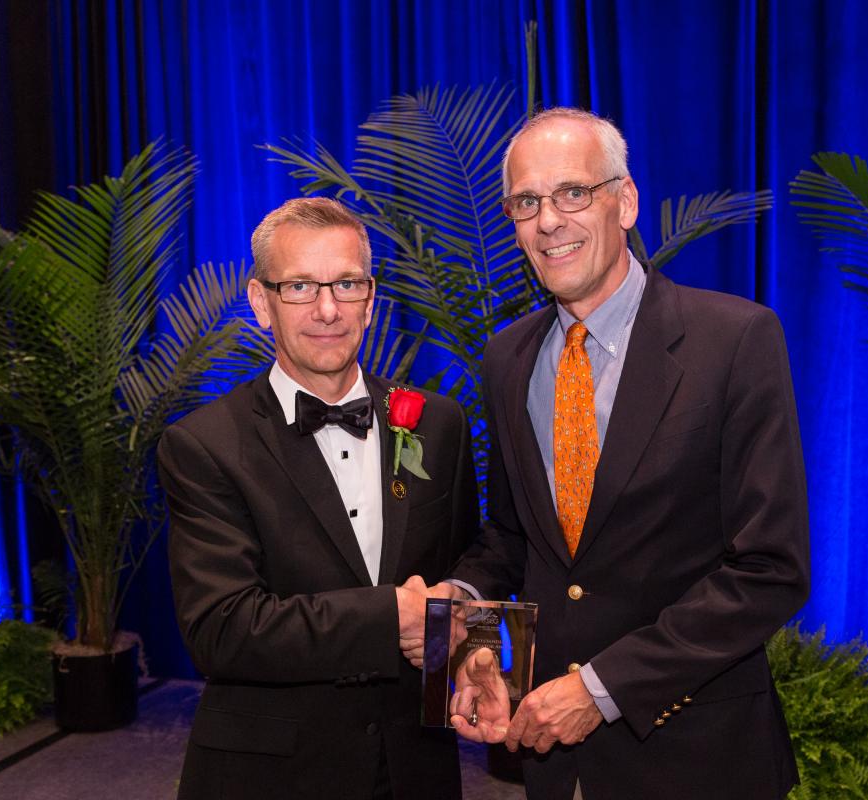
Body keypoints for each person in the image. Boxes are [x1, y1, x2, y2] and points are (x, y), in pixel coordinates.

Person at [434, 108, 811, 799]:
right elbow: (513, 541)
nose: (548, 221)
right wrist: (463, 620)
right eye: (526, 202)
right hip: (557, 765)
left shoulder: (734, 342)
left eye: (573, 192)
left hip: (700, 759)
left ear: (625, 201)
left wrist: (602, 688)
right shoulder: (507, 357)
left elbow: (770, 569)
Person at [159, 197, 478, 800]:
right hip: (271, 774)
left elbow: (467, 565)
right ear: (262, 303)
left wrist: (458, 607)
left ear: (371, 298)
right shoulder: (203, 445)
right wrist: (395, 614)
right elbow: (222, 630)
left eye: (346, 284)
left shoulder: (438, 424)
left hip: (417, 767)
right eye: (301, 286)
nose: (328, 309)